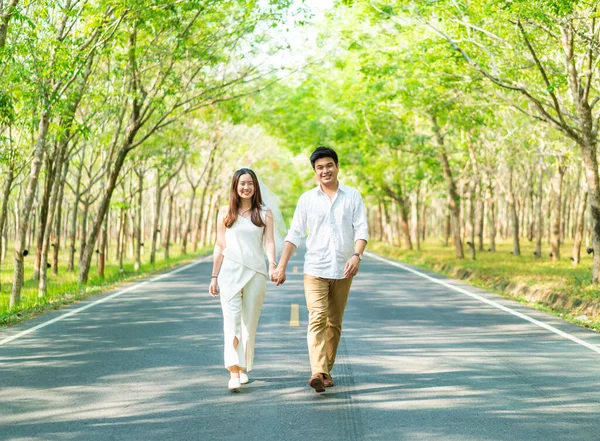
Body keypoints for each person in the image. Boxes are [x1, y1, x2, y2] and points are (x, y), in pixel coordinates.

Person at [272, 146, 368, 393]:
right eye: (319, 168)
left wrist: (357, 256)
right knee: (317, 318)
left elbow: (361, 229)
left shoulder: (353, 196)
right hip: (315, 268)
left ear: (337, 166)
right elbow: (294, 234)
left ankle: (325, 370)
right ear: (314, 172)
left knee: (333, 323)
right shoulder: (307, 199)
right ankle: (317, 371)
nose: (325, 171)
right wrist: (281, 265)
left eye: (329, 166)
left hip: (343, 269)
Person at [209, 168, 277, 391]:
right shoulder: (224, 212)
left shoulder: (264, 213)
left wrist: (273, 263)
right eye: (242, 183)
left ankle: (243, 366)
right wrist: (214, 276)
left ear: (255, 186)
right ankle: (233, 370)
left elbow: (268, 242)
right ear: (235, 186)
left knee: (249, 324)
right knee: (232, 322)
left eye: (250, 183)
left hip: (256, 273)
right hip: (229, 272)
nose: (246, 187)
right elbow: (220, 245)